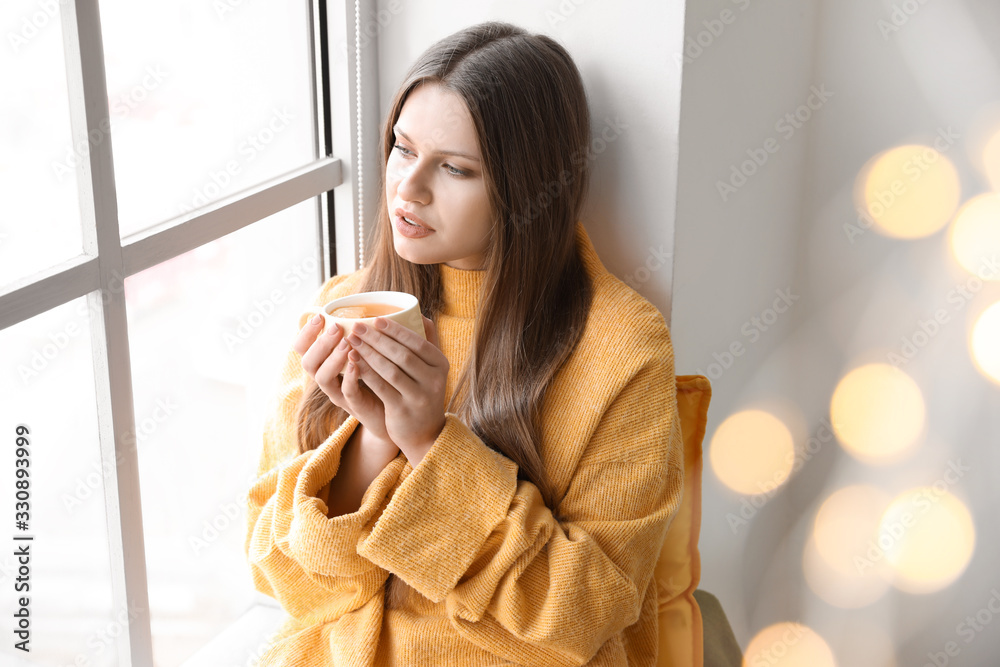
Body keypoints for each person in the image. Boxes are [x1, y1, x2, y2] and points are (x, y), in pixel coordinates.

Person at [245, 20, 682, 666]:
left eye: (454, 168)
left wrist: (429, 443)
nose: (408, 187)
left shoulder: (621, 348)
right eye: (401, 147)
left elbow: (585, 613)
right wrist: (372, 441)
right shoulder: (344, 306)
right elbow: (281, 579)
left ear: (528, 188)